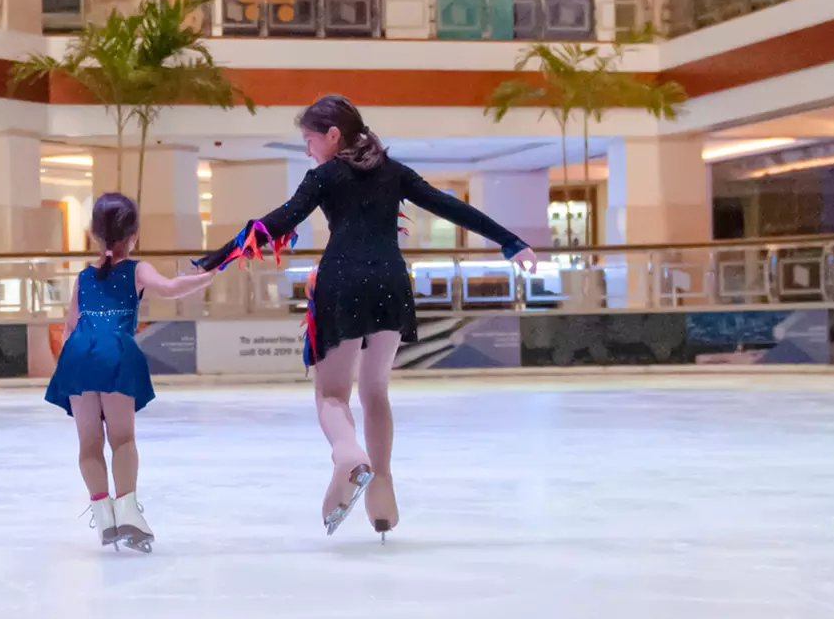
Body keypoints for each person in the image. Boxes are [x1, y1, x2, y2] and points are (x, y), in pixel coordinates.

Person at [200, 94, 539, 539]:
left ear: (333, 136)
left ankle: (348, 455)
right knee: (375, 390)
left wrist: (212, 261)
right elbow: (450, 207)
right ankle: (381, 489)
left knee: (332, 396)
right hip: (390, 283)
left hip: (341, 282)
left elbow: (278, 221)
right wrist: (511, 242)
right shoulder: (394, 172)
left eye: (309, 139)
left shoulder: (323, 176)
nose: (307, 149)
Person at [45, 192, 214, 553]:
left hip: (77, 356)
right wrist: (204, 278)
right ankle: (128, 514)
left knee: (89, 444)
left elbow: (70, 324)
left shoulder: (84, 277)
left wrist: (71, 363)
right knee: (122, 439)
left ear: (94, 234)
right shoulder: (136, 269)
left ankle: (103, 514)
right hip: (115, 352)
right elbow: (169, 288)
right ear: (133, 234)